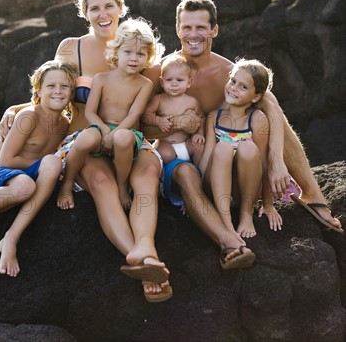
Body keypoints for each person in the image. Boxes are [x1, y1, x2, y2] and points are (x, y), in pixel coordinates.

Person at [0, 0, 173, 302]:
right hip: (85, 140)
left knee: (147, 177)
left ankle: (146, 249)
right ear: (85, 12)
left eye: (109, 5)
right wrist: (17, 107)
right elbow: (53, 89)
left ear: (121, 8)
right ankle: (144, 262)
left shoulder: (138, 49)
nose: (103, 12)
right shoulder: (71, 48)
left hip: (130, 140)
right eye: (94, 8)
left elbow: (155, 102)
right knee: (103, 186)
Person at [145, 0, 342, 238]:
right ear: (177, 29)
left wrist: (277, 163)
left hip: (225, 160)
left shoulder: (230, 73)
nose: (193, 34)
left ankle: (312, 194)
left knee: (265, 112)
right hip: (184, 162)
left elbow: (274, 109)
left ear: (214, 30)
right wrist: (176, 124)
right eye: (187, 27)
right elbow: (139, 126)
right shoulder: (163, 73)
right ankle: (224, 228)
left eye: (200, 27)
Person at [0, 60, 79, 277]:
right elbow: (6, 160)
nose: (58, 91)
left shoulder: (64, 124)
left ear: (72, 92)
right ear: (39, 90)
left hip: (26, 180)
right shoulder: (28, 116)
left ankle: (11, 237)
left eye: (65, 86)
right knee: (30, 179)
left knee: (51, 162)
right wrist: (41, 167)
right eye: (51, 86)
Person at [57, 18, 157, 211]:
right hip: (100, 127)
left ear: (148, 56)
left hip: (126, 131)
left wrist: (115, 132)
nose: (134, 58)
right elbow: (90, 111)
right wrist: (104, 129)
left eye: (140, 54)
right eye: (127, 52)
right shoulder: (101, 79)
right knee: (85, 138)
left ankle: (121, 185)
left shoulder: (145, 84)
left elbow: (134, 114)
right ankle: (67, 184)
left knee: (122, 138)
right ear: (116, 52)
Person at [204, 58, 282, 238]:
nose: (233, 88)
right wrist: (197, 195)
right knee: (222, 148)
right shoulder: (214, 117)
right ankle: (225, 222)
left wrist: (268, 205)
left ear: (256, 97)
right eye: (232, 81)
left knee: (248, 148)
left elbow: (262, 162)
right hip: (217, 186)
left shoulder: (257, 119)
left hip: (242, 189)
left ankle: (246, 214)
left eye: (243, 87)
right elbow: (206, 158)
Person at [141, 55, 206, 207]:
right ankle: (162, 181)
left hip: (186, 143)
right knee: (164, 154)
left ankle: (200, 181)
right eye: (169, 80)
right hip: (166, 143)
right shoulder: (159, 100)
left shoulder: (192, 102)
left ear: (189, 82)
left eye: (180, 80)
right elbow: (145, 115)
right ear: (162, 82)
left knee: (199, 146)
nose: (174, 84)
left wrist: (199, 133)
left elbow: (202, 117)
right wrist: (158, 121)